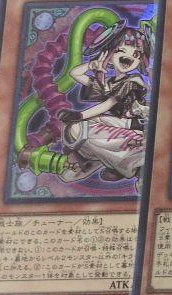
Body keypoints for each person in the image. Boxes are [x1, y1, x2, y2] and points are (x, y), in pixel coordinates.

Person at [54, 20, 153, 186]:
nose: (128, 57)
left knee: (80, 126)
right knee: (74, 128)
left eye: (135, 55)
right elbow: (75, 73)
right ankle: (103, 161)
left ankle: (133, 165)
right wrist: (91, 65)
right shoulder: (108, 82)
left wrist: (79, 115)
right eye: (121, 51)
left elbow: (108, 104)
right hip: (117, 123)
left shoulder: (133, 81)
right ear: (110, 54)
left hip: (134, 124)